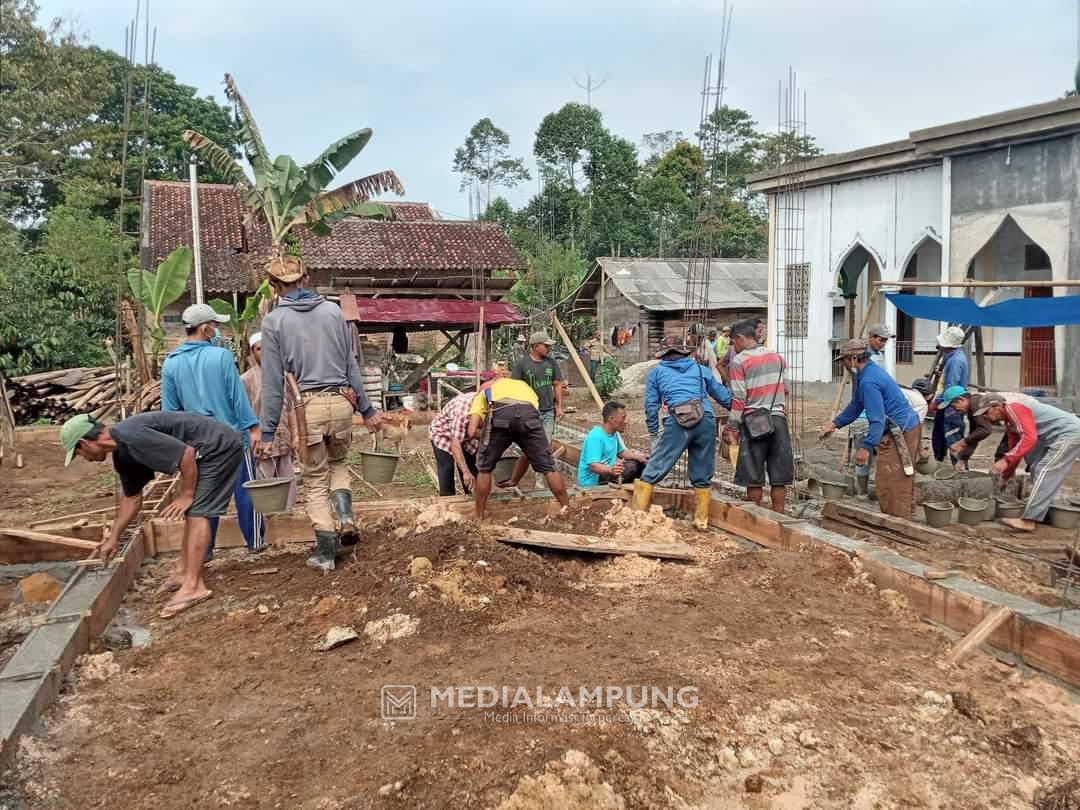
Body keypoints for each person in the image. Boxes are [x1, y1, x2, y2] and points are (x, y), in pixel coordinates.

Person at [258, 256, 382, 573]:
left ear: (274, 286)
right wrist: (366, 409)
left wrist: (268, 432)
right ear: (306, 278)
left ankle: (327, 554)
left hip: (307, 409)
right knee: (339, 464)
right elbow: (351, 365)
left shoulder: (274, 322)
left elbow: (272, 382)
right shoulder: (333, 311)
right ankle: (345, 517)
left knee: (314, 481)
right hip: (341, 403)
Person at [61, 411, 244, 618]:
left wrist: (187, 494)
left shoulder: (133, 436)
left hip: (218, 448)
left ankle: (194, 586)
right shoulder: (123, 454)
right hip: (204, 451)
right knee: (193, 512)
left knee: (198, 512)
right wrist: (113, 538)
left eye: (79, 454)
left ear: (84, 443)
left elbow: (186, 454)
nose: (85, 459)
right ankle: (183, 573)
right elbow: (132, 499)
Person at [161, 303, 264, 557]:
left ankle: (204, 550)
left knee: (204, 497)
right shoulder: (220, 357)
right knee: (247, 492)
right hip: (232, 438)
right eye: (215, 326)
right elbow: (237, 398)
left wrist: (180, 446)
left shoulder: (171, 364)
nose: (217, 331)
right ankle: (255, 542)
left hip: (198, 444)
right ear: (206, 329)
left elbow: (171, 413)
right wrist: (252, 428)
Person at [632, 336, 732, 530]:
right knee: (702, 472)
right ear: (683, 352)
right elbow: (723, 397)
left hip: (679, 421)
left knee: (656, 466)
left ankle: (636, 516)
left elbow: (651, 406)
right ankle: (701, 520)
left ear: (663, 354)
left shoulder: (657, 373)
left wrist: (653, 433)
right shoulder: (700, 369)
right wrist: (740, 410)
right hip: (706, 420)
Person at [820, 339, 921, 518]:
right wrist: (835, 424)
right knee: (899, 478)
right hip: (906, 426)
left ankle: (899, 525)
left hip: (901, 431)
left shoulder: (869, 381)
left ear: (853, 359)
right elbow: (857, 405)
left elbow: (877, 420)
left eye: (843, 360)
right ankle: (904, 517)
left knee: (891, 482)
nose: (843, 364)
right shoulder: (866, 374)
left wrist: (866, 448)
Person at [466, 376, 570, 520]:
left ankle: (478, 517)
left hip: (500, 414)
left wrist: (490, 443)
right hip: (529, 413)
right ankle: (568, 509)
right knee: (549, 467)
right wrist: (514, 480)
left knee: (484, 469)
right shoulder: (527, 389)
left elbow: (471, 431)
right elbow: (528, 452)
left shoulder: (485, 393)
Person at [975, 394, 1080, 532]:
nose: (985, 417)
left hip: (1069, 433)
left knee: (1045, 470)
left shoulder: (1014, 410)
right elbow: (1014, 449)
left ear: (998, 406)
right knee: (1036, 468)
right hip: (1055, 437)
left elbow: (1030, 438)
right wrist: (1005, 476)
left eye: (986, 412)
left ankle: (1029, 520)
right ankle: (1044, 513)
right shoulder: (1009, 423)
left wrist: (1005, 460)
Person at [723, 320, 794, 513]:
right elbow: (786, 389)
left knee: (753, 475)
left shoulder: (739, 361)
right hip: (778, 419)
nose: (733, 347)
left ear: (739, 338)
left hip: (754, 421)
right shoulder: (778, 358)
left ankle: (756, 516)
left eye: (733, 342)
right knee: (779, 475)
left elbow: (739, 398)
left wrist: (732, 427)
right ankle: (779, 515)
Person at [241, 332, 298, 511]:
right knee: (264, 483)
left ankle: (288, 519)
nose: (263, 353)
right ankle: (267, 523)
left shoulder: (284, 377)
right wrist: (253, 437)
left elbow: (291, 409)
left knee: (288, 482)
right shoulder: (246, 379)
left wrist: (296, 435)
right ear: (252, 353)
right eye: (259, 349)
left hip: (284, 439)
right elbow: (244, 413)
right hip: (262, 443)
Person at [940, 387, 1039, 468]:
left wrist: (961, 443)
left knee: (1004, 455)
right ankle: (1004, 480)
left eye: (953, 405)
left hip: (1029, 412)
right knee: (1004, 454)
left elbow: (985, 430)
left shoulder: (976, 404)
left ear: (962, 399)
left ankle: (1003, 483)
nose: (955, 410)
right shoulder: (973, 406)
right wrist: (963, 459)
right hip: (1016, 418)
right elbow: (975, 435)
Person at [577, 400, 648, 487]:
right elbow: (593, 466)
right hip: (592, 481)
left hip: (606, 474)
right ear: (611, 419)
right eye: (623, 417)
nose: (625, 421)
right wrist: (611, 470)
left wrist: (639, 457)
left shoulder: (613, 434)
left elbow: (621, 452)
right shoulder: (596, 437)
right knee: (631, 468)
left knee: (641, 464)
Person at [428, 389, 481, 496]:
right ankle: (448, 502)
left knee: (472, 468)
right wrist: (465, 471)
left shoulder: (492, 406)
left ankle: (473, 498)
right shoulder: (462, 411)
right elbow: (455, 443)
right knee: (447, 468)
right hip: (443, 434)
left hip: (467, 436)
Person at [512, 330, 564, 435]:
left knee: (545, 444)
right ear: (536, 347)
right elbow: (515, 388)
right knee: (531, 445)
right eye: (546, 346)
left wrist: (559, 407)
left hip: (548, 411)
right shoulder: (522, 364)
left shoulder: (551, 363)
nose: (549, 348)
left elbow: (557, 385)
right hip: (529, 412)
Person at [932, 326, 969, 466]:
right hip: (950, 403)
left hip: (951, 405)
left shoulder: (955, 361)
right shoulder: (955, 357)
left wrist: (938, 401)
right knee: (939, 437)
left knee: (953, 439)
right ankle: (939, 465)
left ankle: (959, 470)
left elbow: (951, 387)